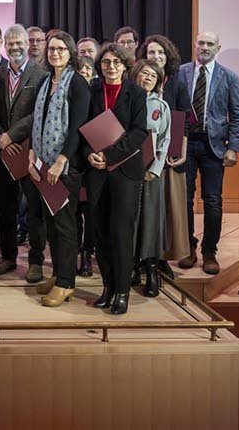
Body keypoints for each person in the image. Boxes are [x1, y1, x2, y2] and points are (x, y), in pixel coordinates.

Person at [27, 31, 90, 307]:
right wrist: (32, 151)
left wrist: (62, 160)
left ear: (70, 52)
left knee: (65, 225)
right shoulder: (46, 81)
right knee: (51, 224)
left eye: (61, 49)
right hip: (44, 165)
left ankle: (66, 283)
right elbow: (37, 121)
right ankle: (57, 274)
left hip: (65, 167)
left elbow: (78, 127)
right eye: (52, 49)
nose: (55, 53)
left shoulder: (77, 83)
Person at [86, 43, 147, 315]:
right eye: (106, 63)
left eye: (116, 62)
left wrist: (108, 156)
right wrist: (89, 155)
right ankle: (108, 287)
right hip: (96, 172)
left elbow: (139, 133)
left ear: (125, 65)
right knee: (100, 231)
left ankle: (122, 291)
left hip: (125, 172)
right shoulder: (92, 90)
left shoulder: (136, 93)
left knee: (121, 232)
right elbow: (82, 127)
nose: (111, 67)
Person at [0, 25, 49, 279]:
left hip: (30, 150)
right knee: (5, 208)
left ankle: (35, 261)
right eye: (10, 43)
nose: (15, 47)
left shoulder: (42, 75)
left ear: (28, 44)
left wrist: (13, 135)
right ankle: (8, 257)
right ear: (5, 45)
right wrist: (2, 136)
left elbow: (39, 113)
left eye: (19, 43)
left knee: (34, 210)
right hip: (4, 151)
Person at [179, 31, 239, 274]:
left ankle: (209, 252)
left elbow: (236, 115)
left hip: (213, 146)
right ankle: (188, 248)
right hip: (184, 144)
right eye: (201, 43)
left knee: (213, 200)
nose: (204, 47)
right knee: (184, 199)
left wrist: (233, 148)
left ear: (218, 47)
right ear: (195, 45)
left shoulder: (229, 76)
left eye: (209, 44)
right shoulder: (181, 72)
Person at [136, 34, 191, 275]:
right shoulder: (138, 83)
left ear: (168, 56)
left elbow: (184, 119)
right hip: (140, 159)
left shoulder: (177, 83)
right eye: (151, 52)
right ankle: (140, 258)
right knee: (144, 210)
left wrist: (180, 150)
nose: (156, 56)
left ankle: (162, 258)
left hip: (168, 157)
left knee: (167, 209)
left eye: (161, 52)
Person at [132, 59, 171, 297]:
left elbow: (165, 139)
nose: (147, 78)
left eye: (153, 76)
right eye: (144, 73)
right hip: (127, 170)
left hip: (150, 172)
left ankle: (151, 270)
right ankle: (132, 267)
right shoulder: (126, 101)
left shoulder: (160, 106)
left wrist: (154, 168)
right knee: (130, 219)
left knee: (150, 219)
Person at [75, 55, 97, 275]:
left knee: (90, 213)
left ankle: (87, 254)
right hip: (72, 161)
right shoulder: (68, 94)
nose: (83, 74)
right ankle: (73, 253)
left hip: (92, 162)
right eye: (79, 70)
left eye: (87, 70)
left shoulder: (97, 97)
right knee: (73, 212)